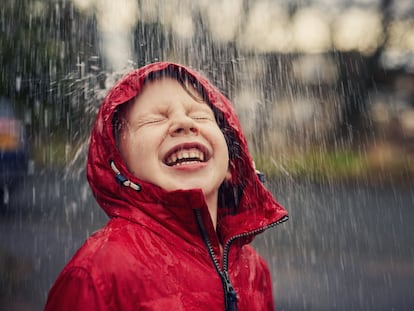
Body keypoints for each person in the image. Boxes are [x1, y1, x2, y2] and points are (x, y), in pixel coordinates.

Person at [44, 62, 288, 311]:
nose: (183, 122)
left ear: (231, 165)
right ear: (120, 164)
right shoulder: (98, 274)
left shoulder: (254, 271)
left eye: (200, 116)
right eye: (155, 119)